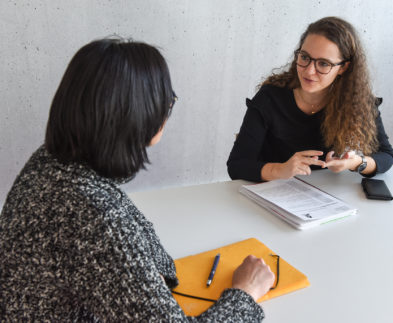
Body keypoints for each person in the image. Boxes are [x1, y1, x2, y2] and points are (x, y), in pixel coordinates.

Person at [0, 38, 275, 321]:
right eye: (168, 101)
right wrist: (245, 293)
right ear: (140, 116)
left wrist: (135, 275)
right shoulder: (95, 215)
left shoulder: (51, 160)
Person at [227, 17, 393, 182]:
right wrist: (281, 170)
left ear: (343, 67)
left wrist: (356, 163)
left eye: (323, 64)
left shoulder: (357, 101)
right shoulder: (270, 97)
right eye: (305, 57)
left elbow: (386, 156)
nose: (309, 71)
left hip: (324, 194)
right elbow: (237, 165)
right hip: (271, 192)